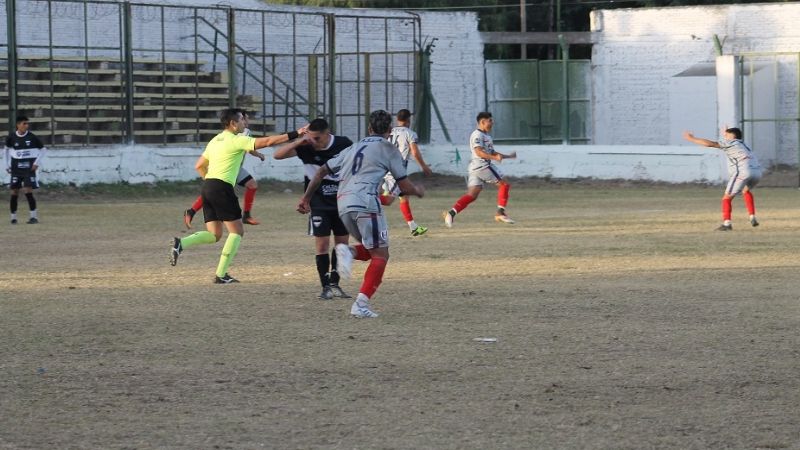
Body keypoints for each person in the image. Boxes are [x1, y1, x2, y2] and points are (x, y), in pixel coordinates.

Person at [297, 110, 425, 318]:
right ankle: (360, 304)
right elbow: (403, 184)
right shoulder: (388, 148)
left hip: (343, 204)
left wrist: (305, 198)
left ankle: (349, 252)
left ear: (369, 128)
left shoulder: (353, 147)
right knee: (381, 255)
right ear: (390, 131)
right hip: (365, 202)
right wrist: (417, 190)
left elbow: (321, 171)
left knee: (374, 249)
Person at [170, 108, 306, 283]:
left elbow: (199, 165)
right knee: (237, 231)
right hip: (221, 188)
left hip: (208, 186)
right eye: (242, 120)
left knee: (214, 235)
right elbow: (269, 141)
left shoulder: (215, 140)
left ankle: (180, 243)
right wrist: (297, 133)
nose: (244, 122)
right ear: (233, 124)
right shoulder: (237, 140)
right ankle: (221, 275)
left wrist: (211, 182)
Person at [273, 118, 353, 300]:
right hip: (317, 201)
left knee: (342, 243)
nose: (315, 142)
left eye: (318, 138)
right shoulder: (305, 146)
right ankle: (325, 287)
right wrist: (300, 140)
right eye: (312, 138)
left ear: (328, 133)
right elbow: (278, 155)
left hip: (341, 200)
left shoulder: (344, 143)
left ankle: (335, 284)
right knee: (322, 244)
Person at [183, 109, 262, 228]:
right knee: (222, 191)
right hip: (231, 168)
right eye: (246, 118)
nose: (248, 120)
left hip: (233, 168)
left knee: (216, 192)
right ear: (241, 119)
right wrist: (260, 155)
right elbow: (249, 148)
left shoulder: (238, 132)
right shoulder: (244, 132)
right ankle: (245, 215)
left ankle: (192, 211)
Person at [443, 111, 516, 228]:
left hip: (475, 167)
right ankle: (500, 213)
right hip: (482, 166)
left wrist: (508, 156)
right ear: (482, 122)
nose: (492, 123)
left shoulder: (486, 136)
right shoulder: (477, 135)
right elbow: (479, 152)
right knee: (504, 184)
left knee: (472, 195)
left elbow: (492, 152)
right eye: (490, 121)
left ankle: (451, 213)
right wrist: (494, 157)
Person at [683, 127, 762, 231]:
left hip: (743, 172)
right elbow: (728, 139)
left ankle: (727, 224)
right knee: (745, 190)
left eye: (726, 136)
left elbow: (710, 144)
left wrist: (691, 139)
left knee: (726, 198)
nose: (725, 138)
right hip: (757, 172)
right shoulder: (743, 144)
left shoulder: (730, 143)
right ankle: (752, 216)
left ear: (732, 137)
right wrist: (726, 133)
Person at [379, 108, 433, 236]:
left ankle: (413, 227)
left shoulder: (389, 131)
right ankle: (362, 198)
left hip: (387, 168)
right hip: (396, 171)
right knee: (388, 200)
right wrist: (424, 166)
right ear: (409, 120)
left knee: (404, 197)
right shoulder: (410, 133)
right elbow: (414, 152)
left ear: (397, 119)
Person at [5, 115, 45, 224]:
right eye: (24, 123)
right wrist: (7, 164)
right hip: (16, 169)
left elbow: (43, 150)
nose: (26, 126)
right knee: (14, 192)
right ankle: (13, 218)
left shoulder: (32, 137)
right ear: (18, 125)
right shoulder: (11, 137)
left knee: (28, 191)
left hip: (28, 169)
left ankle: (33, 217)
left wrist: (36, 163)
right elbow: (6, 150)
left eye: (27, 124)